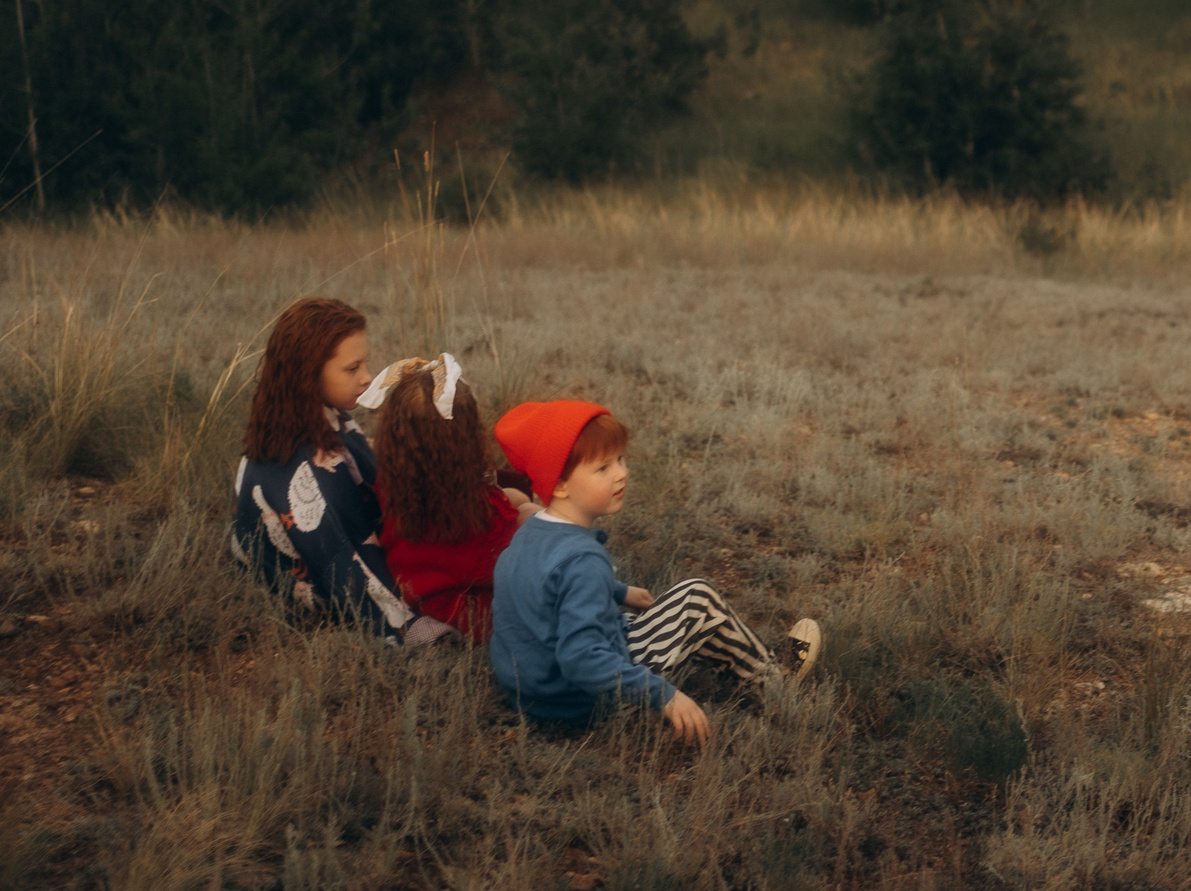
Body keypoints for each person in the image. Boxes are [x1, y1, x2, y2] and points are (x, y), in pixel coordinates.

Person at [489, 399, 820, 740]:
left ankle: (746, 666)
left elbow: (548, 588)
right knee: (697, 599)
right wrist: (664, 695)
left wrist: (618, 591)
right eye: (603, 468)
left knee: (632, 617)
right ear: (560, 485)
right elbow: (581, 658)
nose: (621, 473)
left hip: (532, 692)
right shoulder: (583, 561)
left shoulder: (531, 532)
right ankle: (774, 682)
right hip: (583, 700)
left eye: (620, 459)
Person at [227, 296, 451, 646]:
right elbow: (351, 578)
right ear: (307, 374)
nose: (366, 378)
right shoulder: (305, 471)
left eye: (364, 364)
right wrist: (423, 628)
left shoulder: (317, 418)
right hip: (314, 578)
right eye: (352, 368)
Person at [359, 353, 532, 638]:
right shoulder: (467, 514)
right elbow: (499, 561)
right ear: (465, 443)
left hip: (419, 585)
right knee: (535, 518)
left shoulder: (394, 480)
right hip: (470, 607)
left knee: (516, 497)